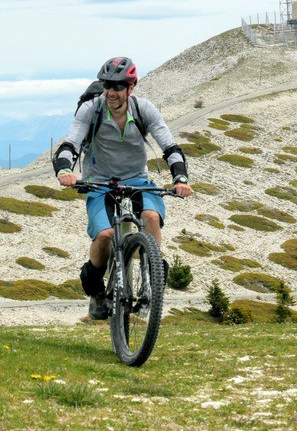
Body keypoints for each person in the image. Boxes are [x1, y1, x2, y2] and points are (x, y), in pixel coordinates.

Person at [53, 56, 193, 320]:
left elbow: (170, 147)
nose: (111, 92)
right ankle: (96, 292)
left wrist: (180, 179)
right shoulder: (91, 110)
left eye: (118, 86)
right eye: (107, 85)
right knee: (105, 235)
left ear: (131, 87)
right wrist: (64, 170)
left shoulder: (144, 110)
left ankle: (152, 279)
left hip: (138, 180)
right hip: (100, 183)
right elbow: (69, 144)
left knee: (151, 217)